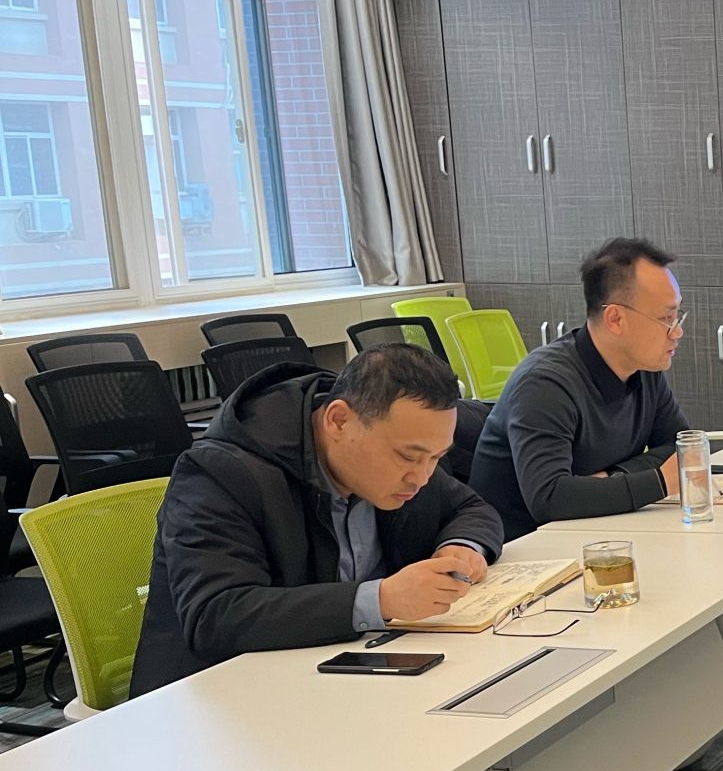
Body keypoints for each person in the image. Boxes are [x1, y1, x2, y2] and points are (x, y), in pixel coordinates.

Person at [132, 347, 504, 696]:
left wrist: (459, 546)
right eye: (409, 457)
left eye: (436, 458)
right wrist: (382, 600)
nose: (421, 477)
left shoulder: (400, 453)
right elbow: (216, 616)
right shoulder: (220, 473)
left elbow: (470, 508)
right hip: (221, 703)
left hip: (347, 680)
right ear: (338, 420)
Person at [470, 237, 690, 538]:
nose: (677, 332)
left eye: (677, 316)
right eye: (666, 319)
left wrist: (613, 477)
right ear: (616, 319)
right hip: (526, 547)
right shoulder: (545, 384)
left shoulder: (644, 368)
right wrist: (659, 482)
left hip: (596, 530)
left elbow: (681, 450)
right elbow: (549, 497)